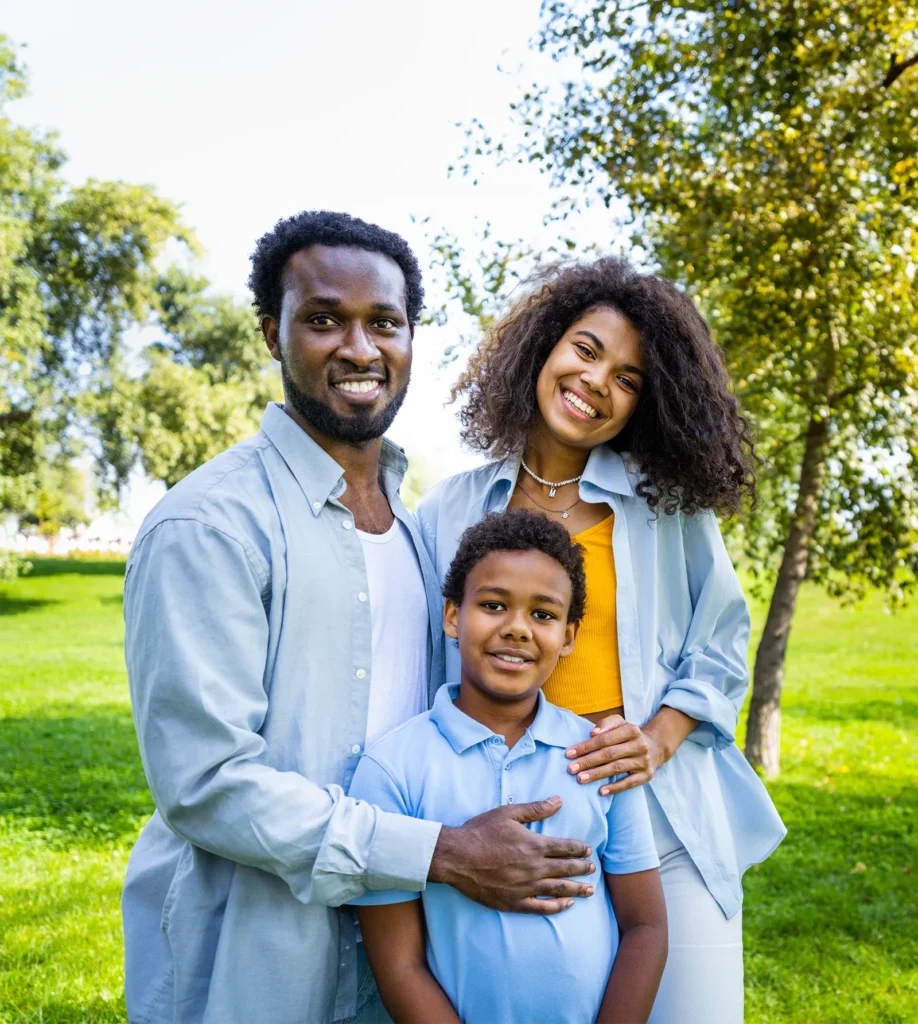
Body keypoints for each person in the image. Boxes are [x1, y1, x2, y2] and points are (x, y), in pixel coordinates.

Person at [120, 211, 598, 1024]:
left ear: (413, 338)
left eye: (385, 322)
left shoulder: (420, 534)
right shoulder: (208, 525)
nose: (359, 348)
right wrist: (442, 853)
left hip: (405, 959)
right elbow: (205, 784)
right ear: (272, 334)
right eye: (321, 319)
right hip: (254, 958)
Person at [417, 256, 787, 1023]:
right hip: (513, 823)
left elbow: (720, 643)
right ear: (547, 347)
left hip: (660, 815)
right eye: (587, 351)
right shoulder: (450, 509)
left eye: (628, 379)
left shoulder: (667, 511)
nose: (597, 382)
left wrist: (657, 737)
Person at [349, 509, 668, 1024]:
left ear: (569, 634)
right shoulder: (392, 769)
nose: (518, 628)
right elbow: (400, 966)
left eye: (543, 614)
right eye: (494, 605)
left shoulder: (598, 756)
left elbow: (646, 925)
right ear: (453, 615)